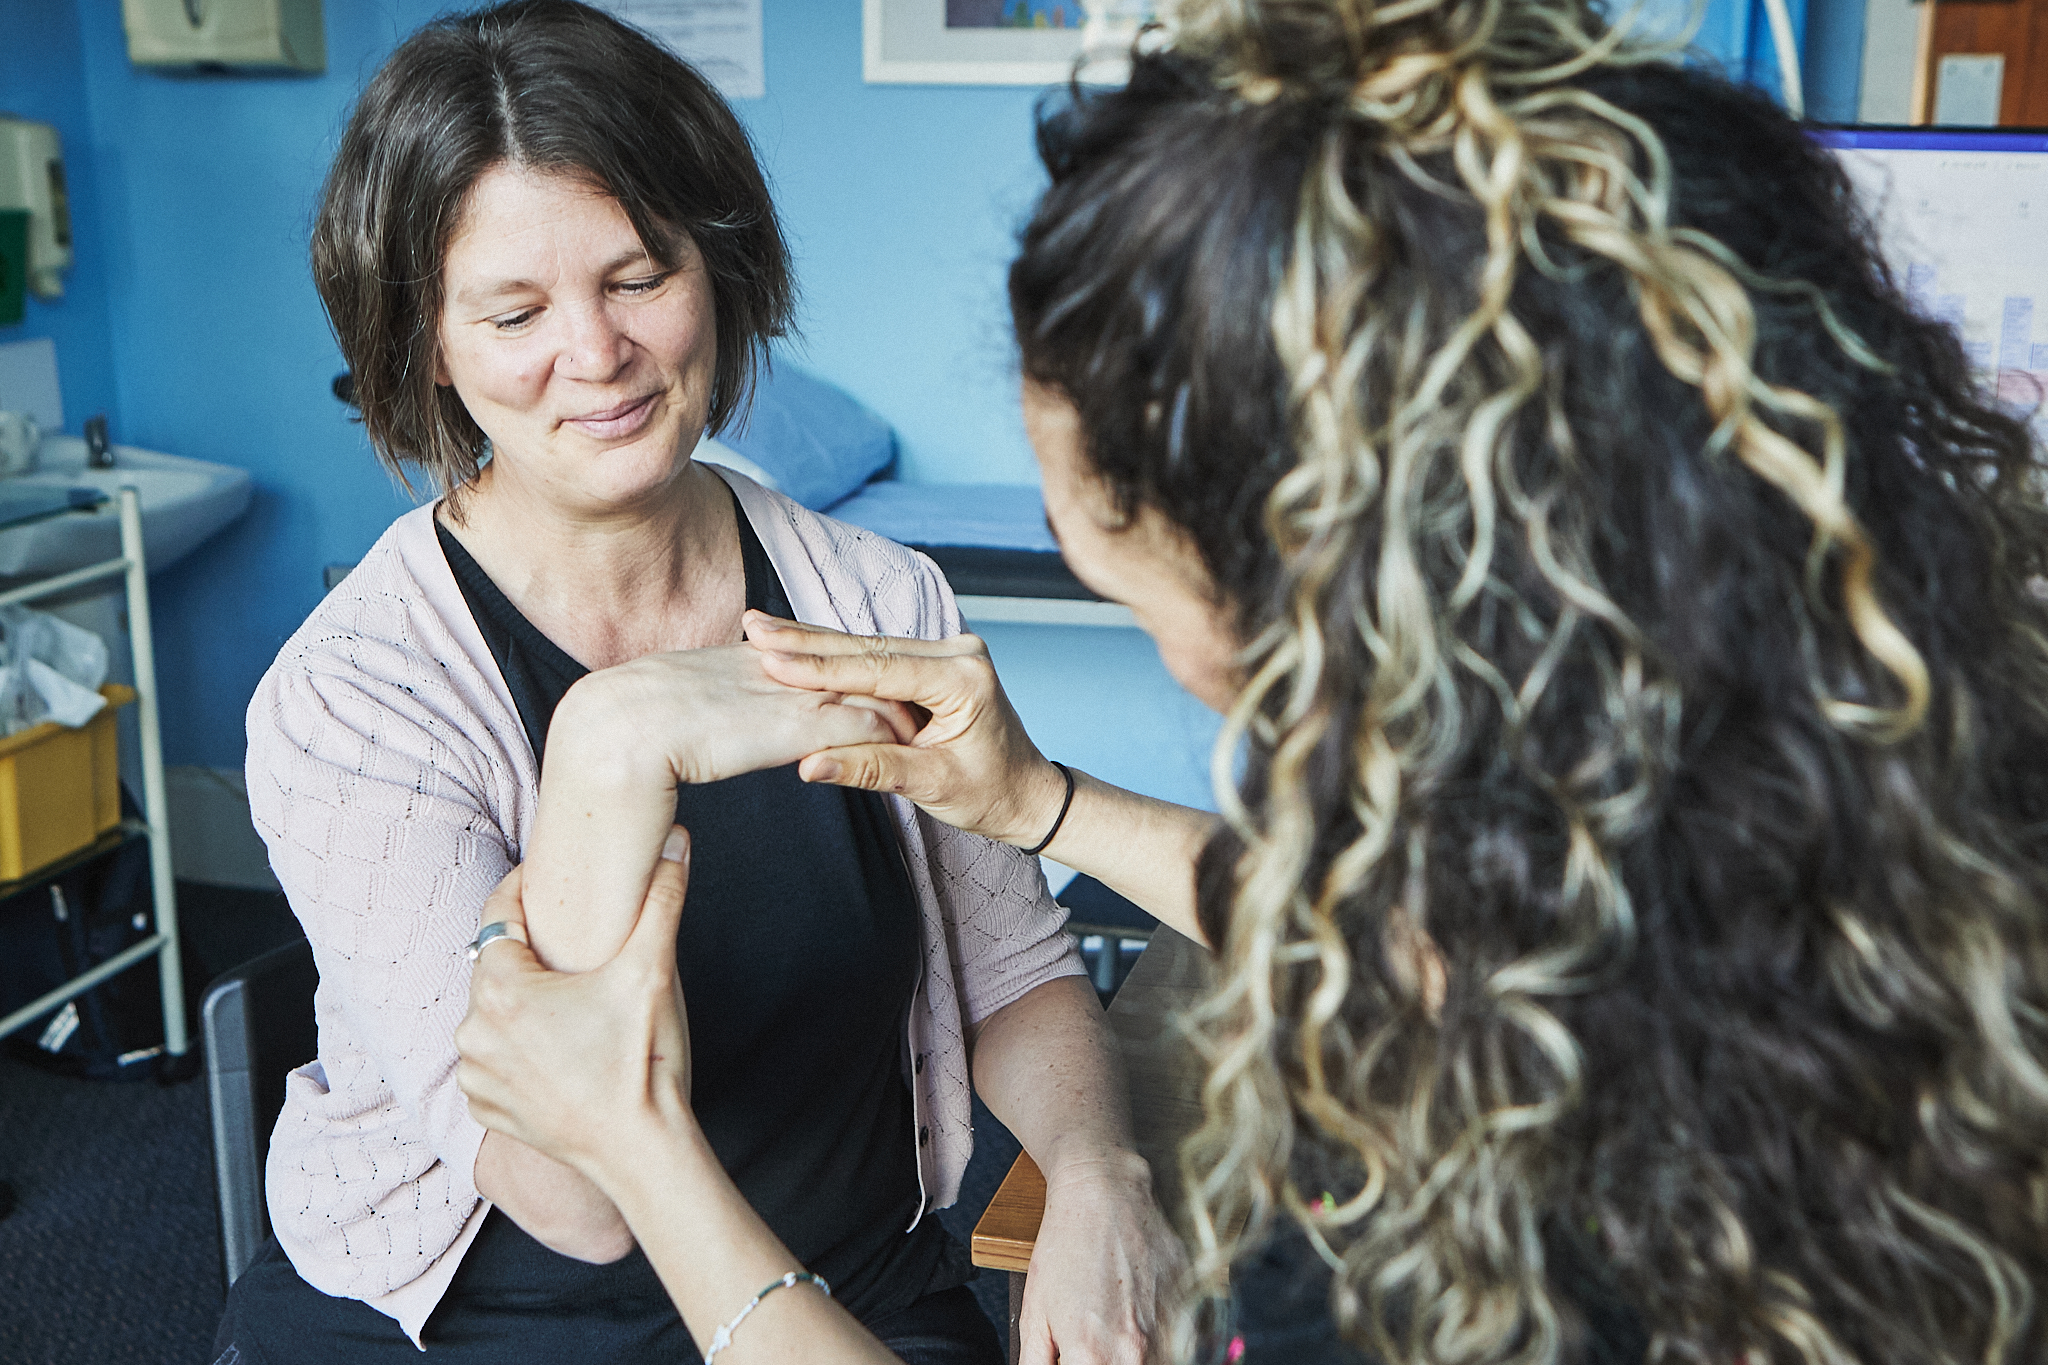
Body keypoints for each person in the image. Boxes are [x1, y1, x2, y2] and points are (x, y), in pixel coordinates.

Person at [455, 0, 2048, 1361]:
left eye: (1117, 545)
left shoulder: (1520, 1239)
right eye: (516, 309)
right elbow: (1441, 935)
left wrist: (638, 1142)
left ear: (1326, 571)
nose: (592, 354)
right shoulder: (1790, 841)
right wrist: (1047, 801)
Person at [216, 3, 1168, 1361]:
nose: (596, 353)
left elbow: (1015, 972)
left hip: (851, 1274)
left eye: (636, 275)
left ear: (715, 270)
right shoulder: (357, 698)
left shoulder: (876, 596)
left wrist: (1093, 1171)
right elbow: (575, 1196)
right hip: (496, 1314)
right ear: (429, 346)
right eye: (514, 311)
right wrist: (616, 741)